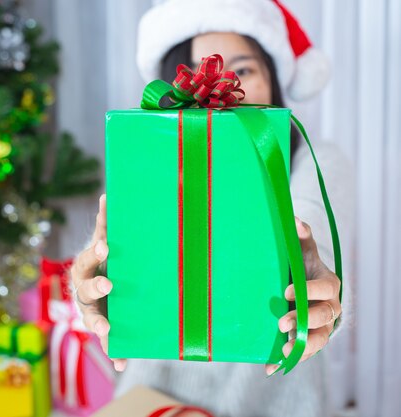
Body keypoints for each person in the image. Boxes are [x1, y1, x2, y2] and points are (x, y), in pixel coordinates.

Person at [69, 0, 355, 416]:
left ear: (273, 82)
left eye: (244, 70)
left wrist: (316, 290)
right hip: (153, 399)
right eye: (202, 70)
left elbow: (317, 241)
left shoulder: (316, 160)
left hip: (272, 402)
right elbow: (109, 254)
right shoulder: (150, 159)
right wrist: (93, 283)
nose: (222, 85)